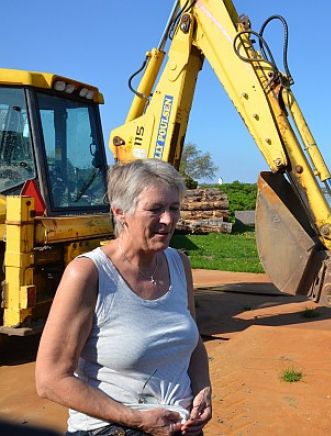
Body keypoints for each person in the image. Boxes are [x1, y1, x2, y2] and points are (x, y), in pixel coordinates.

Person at [36, 159, 212, 436]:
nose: (168, 219)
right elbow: (50, 380)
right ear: (121, 212)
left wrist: (203, 389)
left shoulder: (179, 264)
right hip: (111, 429)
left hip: (180, 427)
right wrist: (136, 419)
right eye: (155, 209)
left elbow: (194, 342)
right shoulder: (88, 274)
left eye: (174, 208)